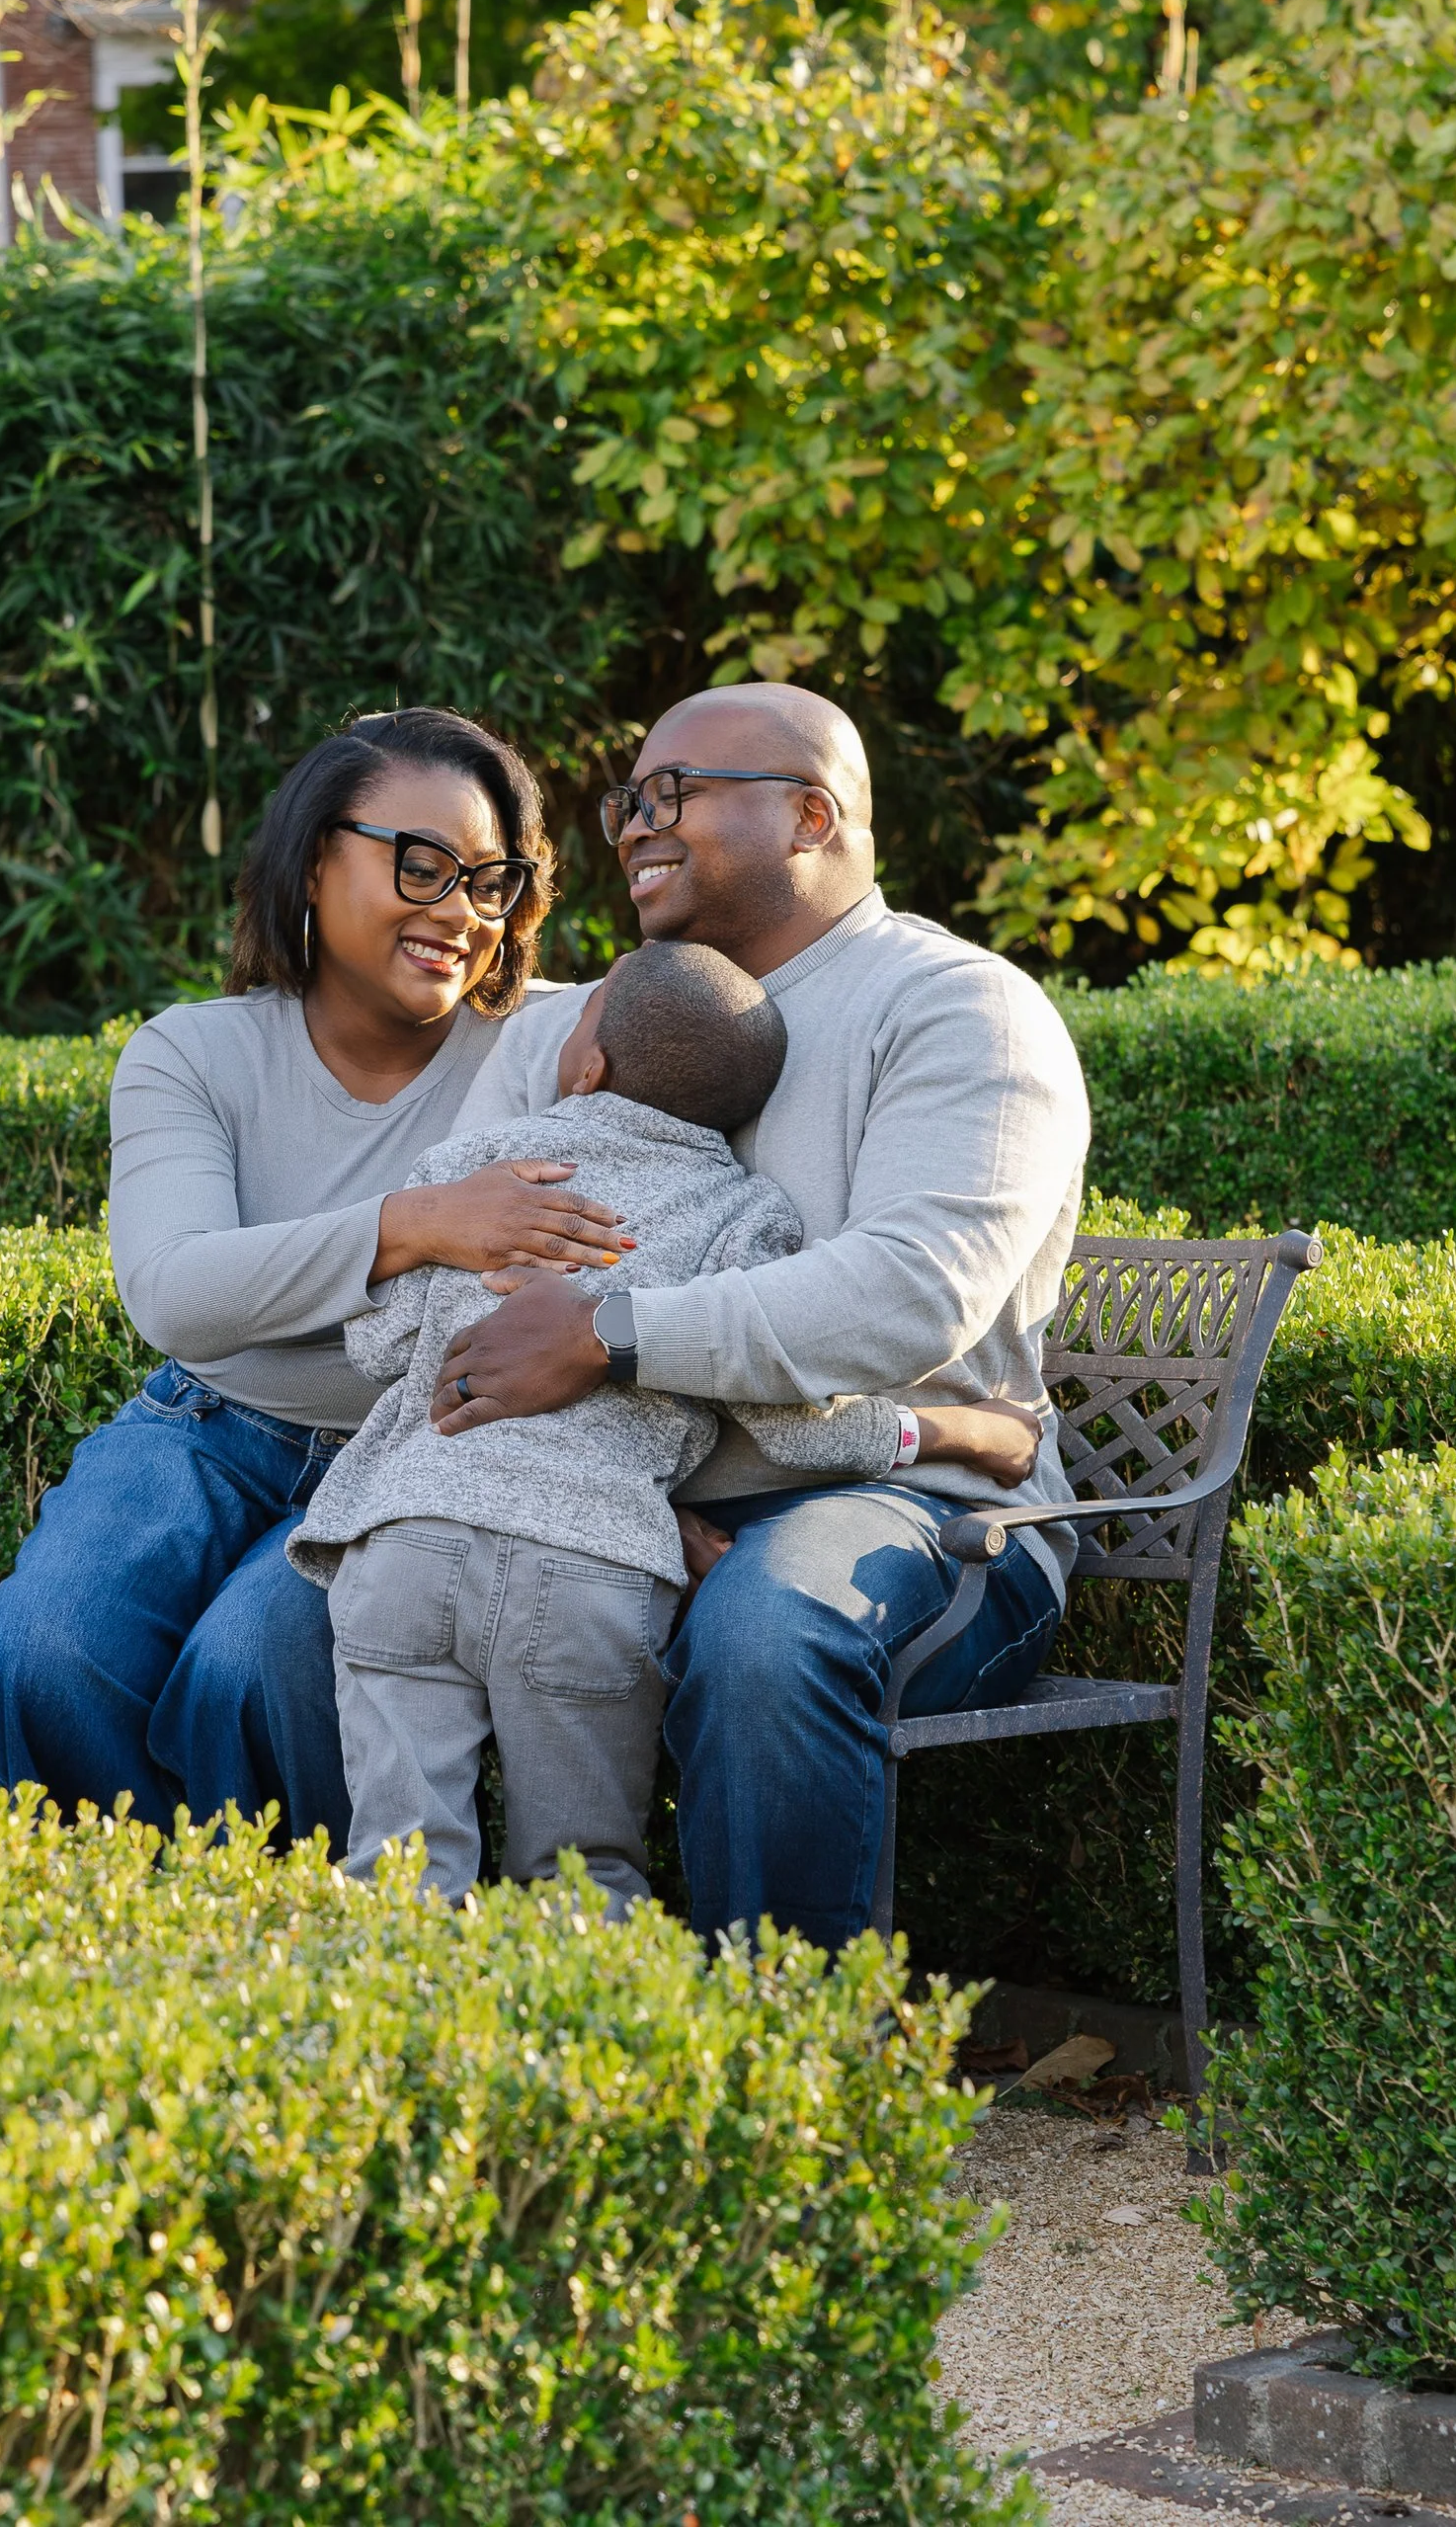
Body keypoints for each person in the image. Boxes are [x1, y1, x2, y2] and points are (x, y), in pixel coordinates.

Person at [176, 682, 1092, 1947]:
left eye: (674, 794)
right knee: (262, 1635)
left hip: (915, 1508)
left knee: (770, 1625)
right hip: (577, 1491)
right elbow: (457, 1272)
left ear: (811, 814)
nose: (634, 825)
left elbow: (910, 1298)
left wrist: (611, 1334)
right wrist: (616, 1480)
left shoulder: (957, 1008)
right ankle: (351, 2047)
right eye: (629, 799)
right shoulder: (599, 1014)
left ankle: (781, 2072)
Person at [0, 706, 636, 1828]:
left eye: (490, 881)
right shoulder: (194, 1050)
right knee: (42, 1659)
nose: (458, 911)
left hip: (418, 1450)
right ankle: (145, 1938)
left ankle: (284, 1953)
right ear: (314, 860)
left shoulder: (554, 1043)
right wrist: (415, 1223)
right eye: (421, 866)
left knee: (249, 1671)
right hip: (205, 1426)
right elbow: (177, 1291)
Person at [292, 941, 1042, 1911]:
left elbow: (379, 1344)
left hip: (405, 1541)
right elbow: (797, 1432)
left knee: (397, 1866)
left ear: (589, 1061)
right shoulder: (742, 1217)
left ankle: (412, 2060)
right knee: (580, 1876)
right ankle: (595, 2054)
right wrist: (943, 1433)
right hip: (587, 1570)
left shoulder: (480, 1168)